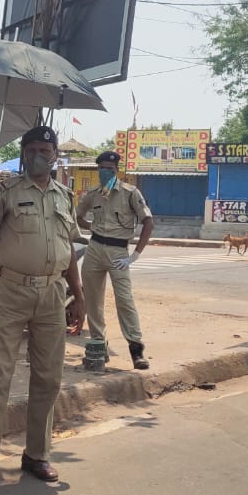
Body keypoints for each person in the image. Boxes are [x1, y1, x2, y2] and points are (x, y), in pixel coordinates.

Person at [0, 125, 85, 492]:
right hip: (12, 290)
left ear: (55, 155)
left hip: (53, 293)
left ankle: (36, 454)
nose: (37, 156)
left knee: (48, 378)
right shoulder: (7, 191)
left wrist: (78, 294)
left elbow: (68, 248)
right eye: (31, 150)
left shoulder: (65, 196)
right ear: (23, 154)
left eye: (44, 151)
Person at [75, 149, 154, 369]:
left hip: (119, 252)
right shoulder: (92, 194)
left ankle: (136, 350)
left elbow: (148, 222)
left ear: (116, 170)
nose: (104, 172)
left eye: (109, 169)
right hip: (95, 248)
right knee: (93, 300)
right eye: (101, 169)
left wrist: (135, 255)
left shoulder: (130, 193)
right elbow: (77, 216)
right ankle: (99, 345)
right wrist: (91, 227)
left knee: (124, 300)